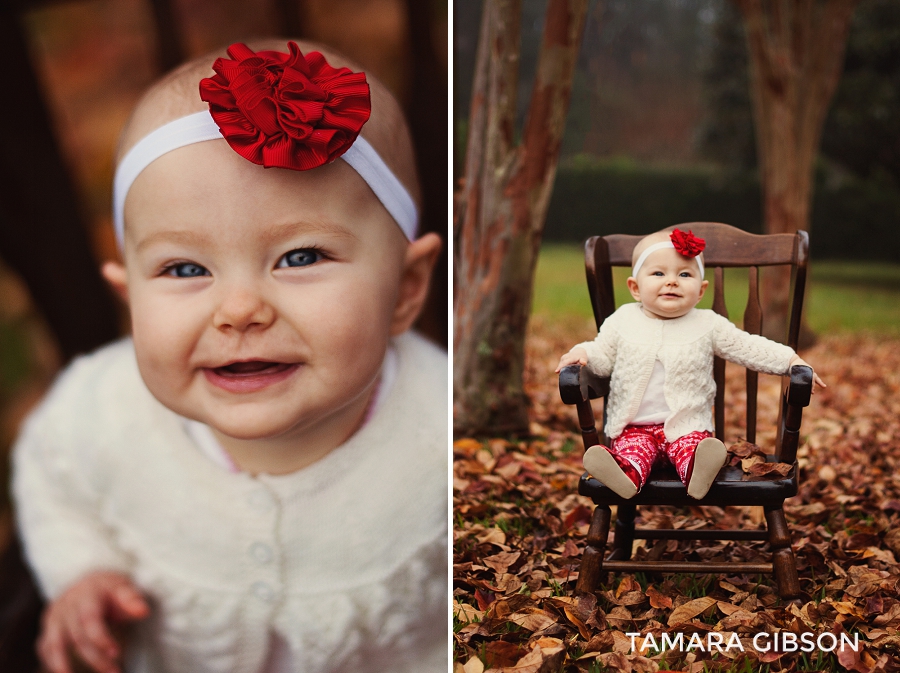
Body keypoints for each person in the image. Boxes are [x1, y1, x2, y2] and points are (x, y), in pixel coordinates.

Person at [12, 40, 447, 673]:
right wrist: (81, 569)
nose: (239, 308)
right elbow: (54, 478)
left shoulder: (441, 440)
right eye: (185, 267)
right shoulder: (97, 410)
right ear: (129, 297)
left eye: (300, 257)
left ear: (406, 289)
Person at [555, 227, 825, 501]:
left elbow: (748, 346)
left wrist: (790, 360)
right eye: (658, 273)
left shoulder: (708, 324)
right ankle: (623, 475)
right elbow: (601, 358)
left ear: (700, 290)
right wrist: (583, 353)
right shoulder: (622, 320)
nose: (672, 281)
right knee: (633, 453)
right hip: (633, 429)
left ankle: (699, 470)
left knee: (693, 448)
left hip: (687, 426)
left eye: (684, 274)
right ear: (635, 288)